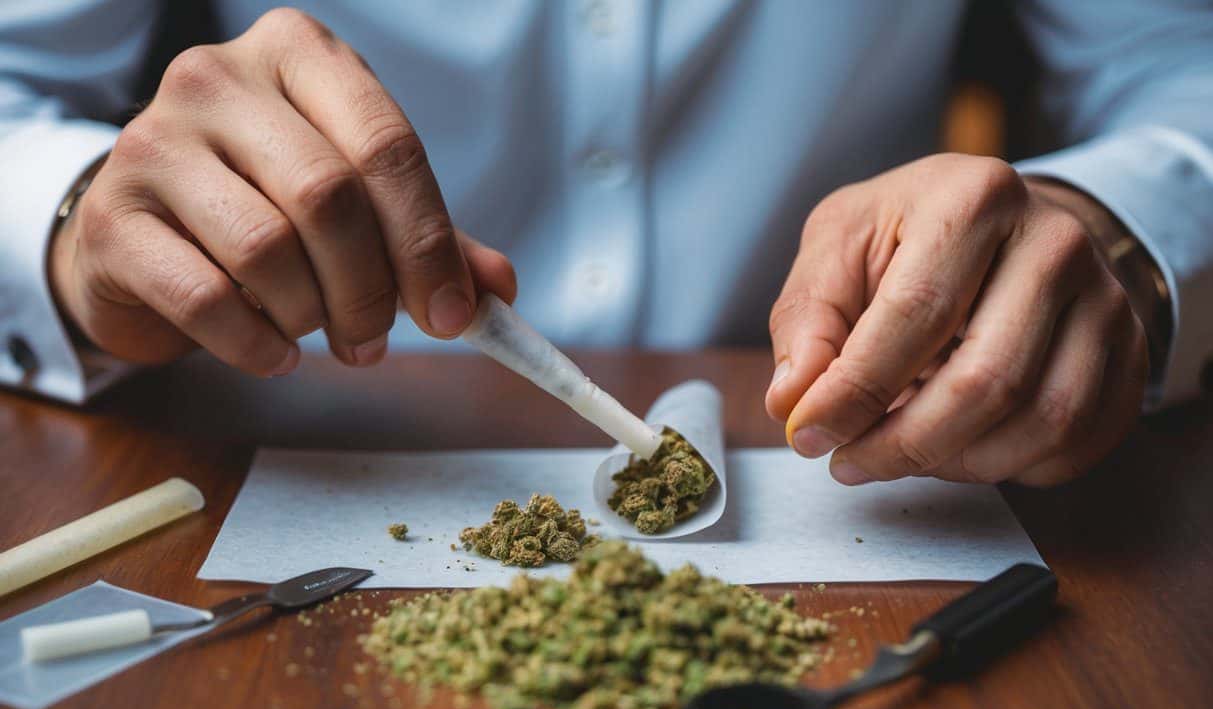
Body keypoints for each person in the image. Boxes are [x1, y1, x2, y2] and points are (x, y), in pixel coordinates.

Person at [1, 2, 1209, 488]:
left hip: (880, 442)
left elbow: (1173, 66)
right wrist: (79, 216)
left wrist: (1117, 228)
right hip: (295, 437)